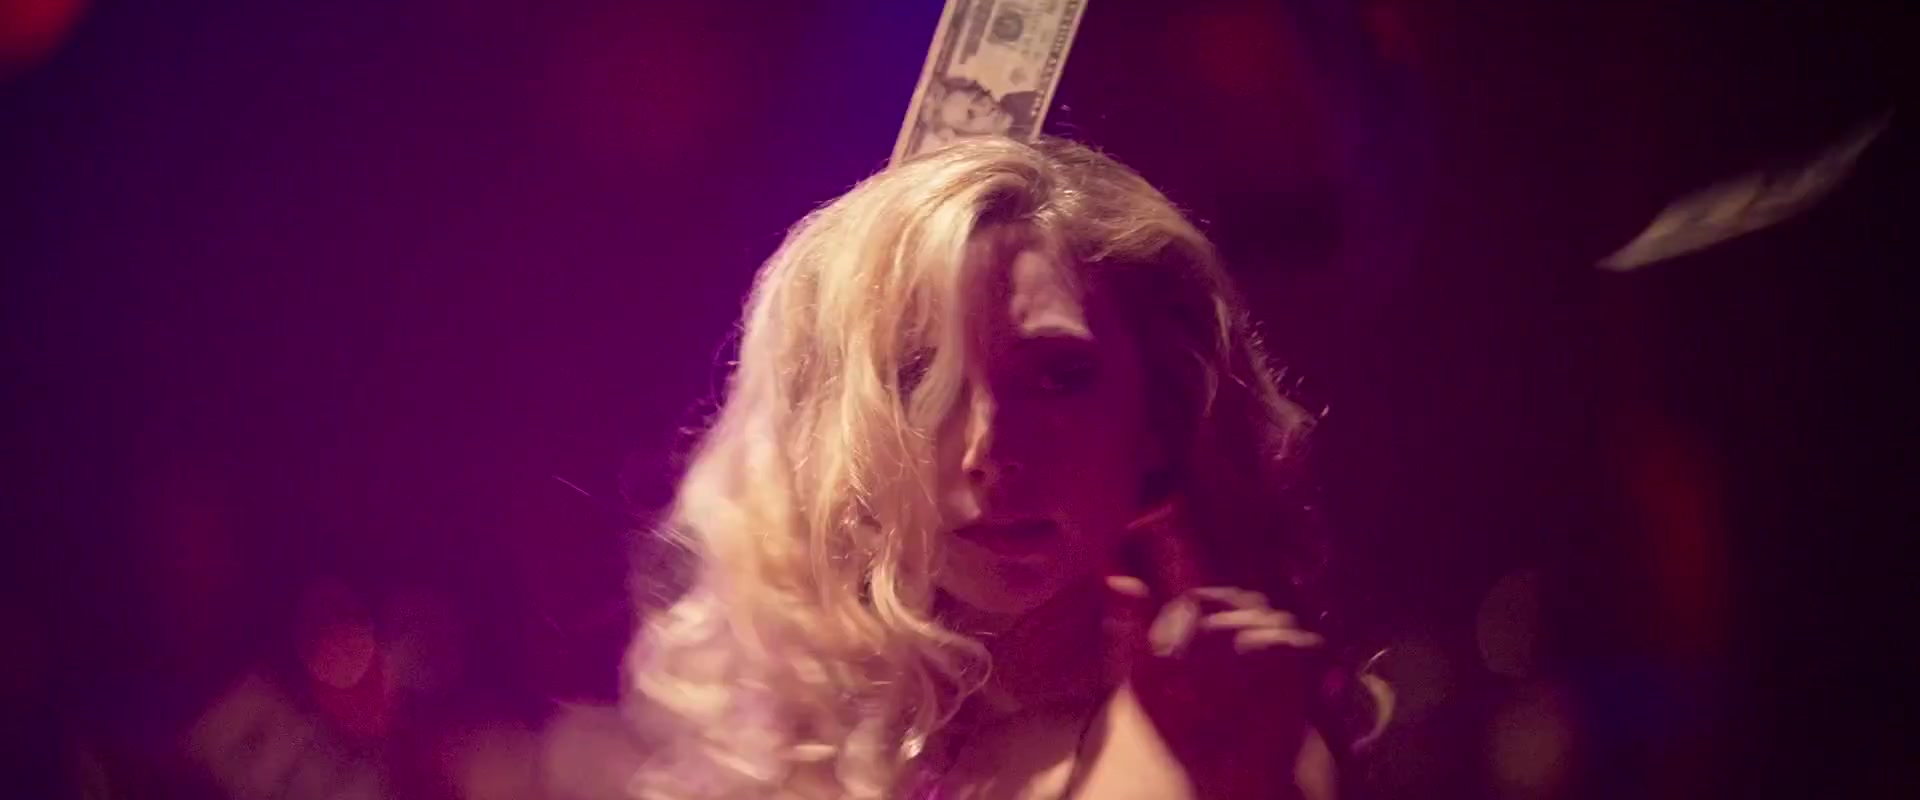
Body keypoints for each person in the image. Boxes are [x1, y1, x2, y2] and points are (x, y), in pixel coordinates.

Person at [622, 137, 1373, 799]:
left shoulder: (1209, 741)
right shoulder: (812, 722)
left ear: (1157, 415)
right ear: (845, 428)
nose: (988, 450)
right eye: (922, 378)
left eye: (1057, 377)